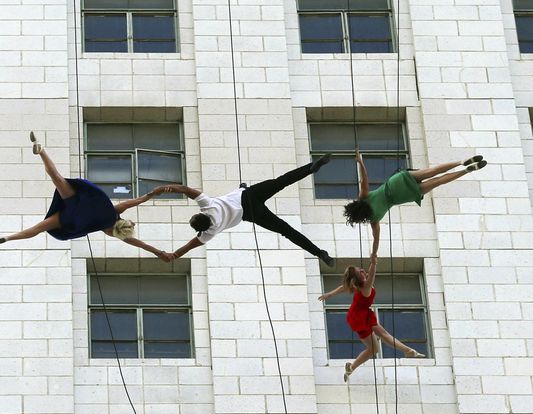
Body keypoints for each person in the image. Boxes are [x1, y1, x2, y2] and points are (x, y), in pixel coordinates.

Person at [0, 132, 173, 262]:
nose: (135, 224)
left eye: (133, 224)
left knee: (56, 178)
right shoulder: (111, 230)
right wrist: (158, 252)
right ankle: (7, 238)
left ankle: (41, 151)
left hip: (78, 201)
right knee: (37, 229)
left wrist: (151, 194)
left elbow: (134, 202)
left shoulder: (114, 212)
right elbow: (140, 244)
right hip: (71, 219)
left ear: (128, 225)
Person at [160, 155, 335, 265]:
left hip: (252, 214)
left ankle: (319, 253)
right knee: (281, 181)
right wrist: (169, 188)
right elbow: (186, 189)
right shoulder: (208, 205)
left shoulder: (209, 233)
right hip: (249, 196)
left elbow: (188, 247)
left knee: (286, 231)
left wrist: (174, 256)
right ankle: (310, 168)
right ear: (200, 213)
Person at [343, 150, 486, 251]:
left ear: (361, 219)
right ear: (355, 205)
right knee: (433, 171)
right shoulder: (363, 198)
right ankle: (461, 162)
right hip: (395, 182)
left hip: (402, 195)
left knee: (438, 181)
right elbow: (364, 180)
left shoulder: (373, 220)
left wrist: (374, 254)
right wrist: (360, 162)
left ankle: (467, 171)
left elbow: (376, 238)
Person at [318, 251, 425, 382]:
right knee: (378, 342)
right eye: (361, 271)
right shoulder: (365, 286)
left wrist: (329, 294)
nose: (363, 270)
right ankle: (408, 351)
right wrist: (374, 262)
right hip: (359, 317)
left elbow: (343, 287)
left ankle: (351, 367)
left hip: (362, 313)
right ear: (360, 278)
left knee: (376, 346)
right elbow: (372, 274)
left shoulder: (358, 285)